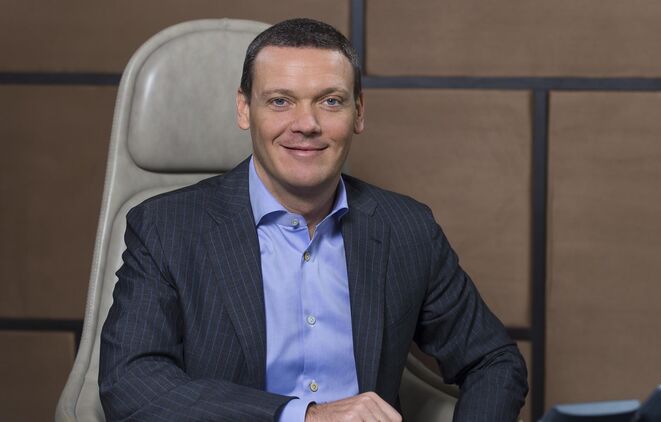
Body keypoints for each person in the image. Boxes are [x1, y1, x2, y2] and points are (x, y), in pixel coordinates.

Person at [99, 18, 527, 422]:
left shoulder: (407, 229)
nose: (306, 124)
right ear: (244, 109)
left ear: (358, 112)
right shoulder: (166, 228)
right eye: (280, 101)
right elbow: (131, 384)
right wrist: (304, 415)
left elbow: (493, 360)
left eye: (330, 101)